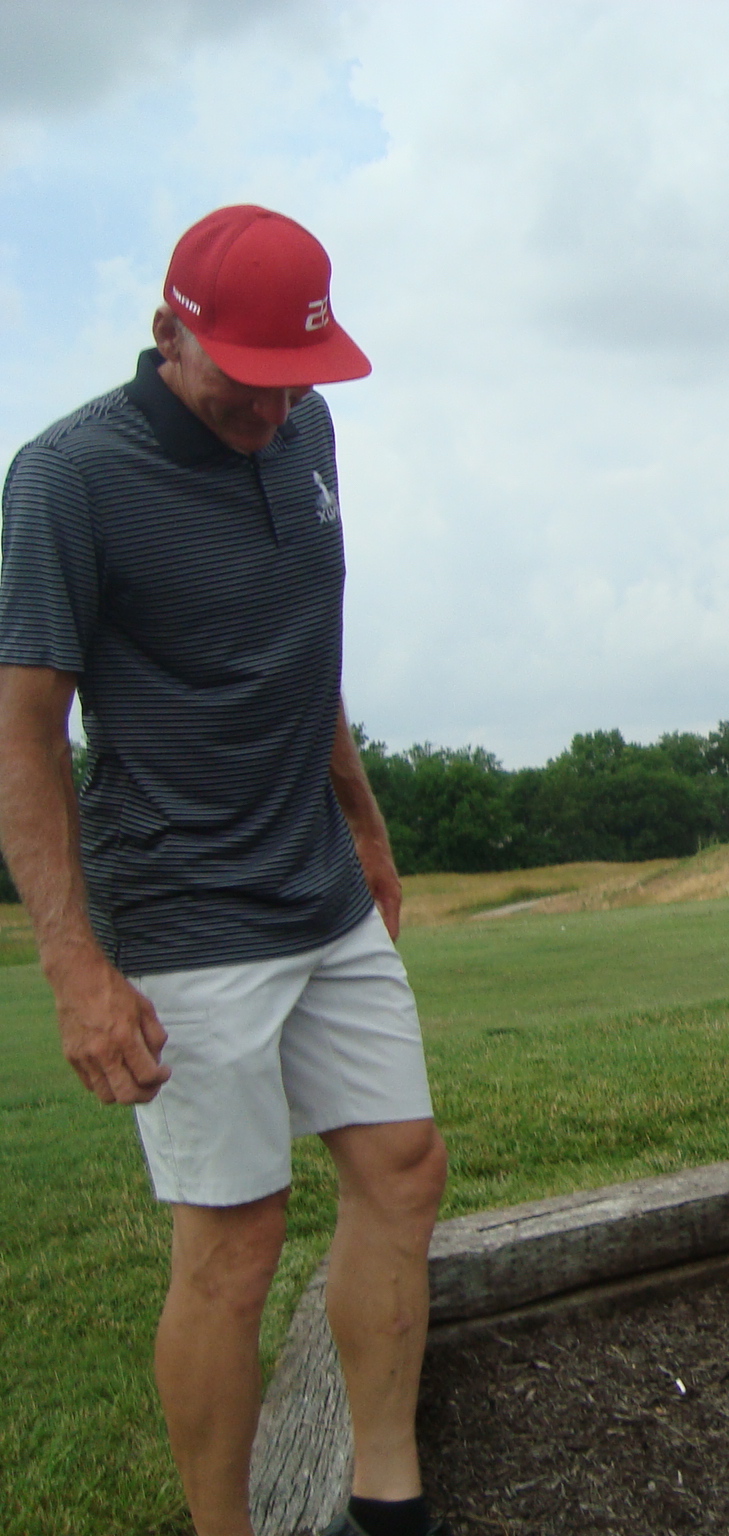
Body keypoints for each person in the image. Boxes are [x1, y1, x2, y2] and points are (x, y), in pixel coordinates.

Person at [0, 207, 447, 1536]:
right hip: (185, 913)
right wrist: (74, 966)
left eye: (294, 380)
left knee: (405, 1169)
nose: (272, 411)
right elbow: (25, 730)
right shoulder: (67, 477)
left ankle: (387, 1502)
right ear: (168, 334)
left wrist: (366, 825)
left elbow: (306, 652)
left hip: (320, 884)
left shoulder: (306, 433)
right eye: (246, 381)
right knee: (235, 1244)